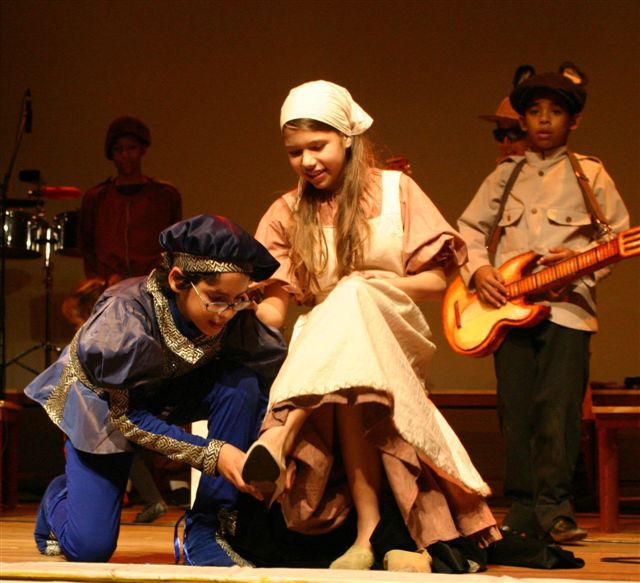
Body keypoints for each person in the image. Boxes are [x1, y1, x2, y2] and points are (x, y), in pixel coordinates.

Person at [240, 80, 500, 573]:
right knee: (349, 379)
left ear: (347, 138)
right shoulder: (285, 213)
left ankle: (282, 432)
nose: (307, 161)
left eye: (318, 146)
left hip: (392, 326)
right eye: (295, 152)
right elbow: (274, 311)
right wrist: (224, 309)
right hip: (325, 353)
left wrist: (386, 281)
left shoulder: (396, 190)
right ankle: (368, 534)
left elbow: (439, 278)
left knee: (353, 294)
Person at [25, 214, 286, 564]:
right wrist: (215, 454)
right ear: (179, 280)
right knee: (90, 548)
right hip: (105, 411)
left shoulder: (230, 311)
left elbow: (270, 376)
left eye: (237, 299)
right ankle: (58, 499)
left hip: (166, 395)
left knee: (244, 383)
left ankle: (208, 528)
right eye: (216, 299)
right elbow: (127, 418)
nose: (226, 313)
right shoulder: (125, 314)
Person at [457, 64, 630, 544]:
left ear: (573, 121)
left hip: (568, 311)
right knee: (515, 410)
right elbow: (468, 230)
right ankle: (523, 509)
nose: (545, 120)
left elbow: (615, 235)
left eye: (556, 112)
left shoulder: (590, 173)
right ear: (523, 119)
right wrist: (481, 271)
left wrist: (580, 263)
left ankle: (556, 508)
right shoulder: (504, 177)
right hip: (507, 314)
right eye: (534, 112)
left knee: (557, 409)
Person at [79, 115, 182, 285]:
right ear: (111, 154)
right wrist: (100, 279)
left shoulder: (165, 195)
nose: (125, 155)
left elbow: (174, 246)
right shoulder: (96, 197)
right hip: (109, 287)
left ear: (142, 150)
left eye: (131, 148)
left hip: (152, 286)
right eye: (119, 149)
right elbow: (88, 247)